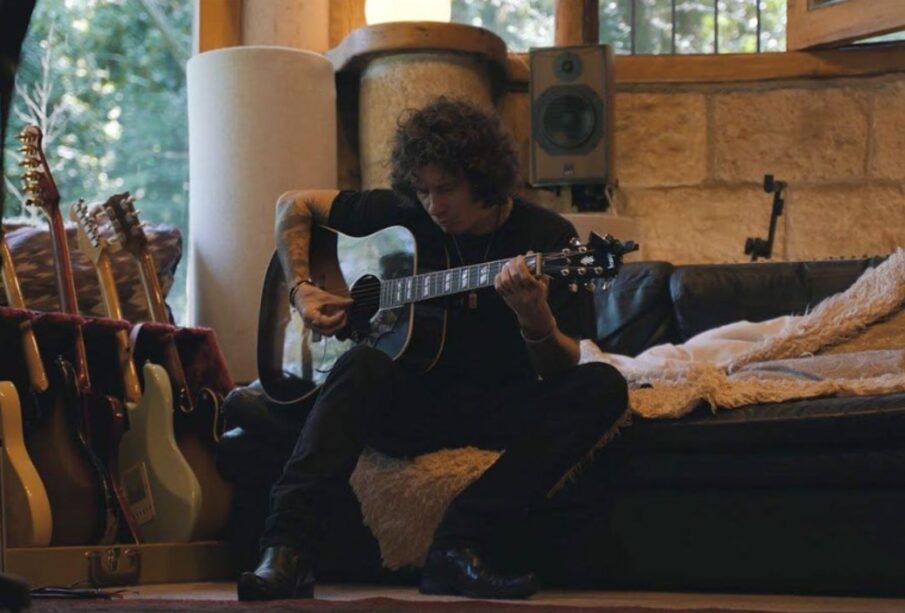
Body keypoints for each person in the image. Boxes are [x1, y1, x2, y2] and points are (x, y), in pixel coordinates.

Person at [237, 97, 628, 601]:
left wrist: (536, 319)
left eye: (447, 189)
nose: (433, 205)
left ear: (484, 179)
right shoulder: (404, 215)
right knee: (359, 363)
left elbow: (558, 367)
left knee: (602, 385)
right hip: (413, 406)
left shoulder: (548, 238)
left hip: (500, 404)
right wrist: (302, 288)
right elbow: (292, 204)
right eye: (422, 190)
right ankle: (286, 550)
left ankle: (458, 545)